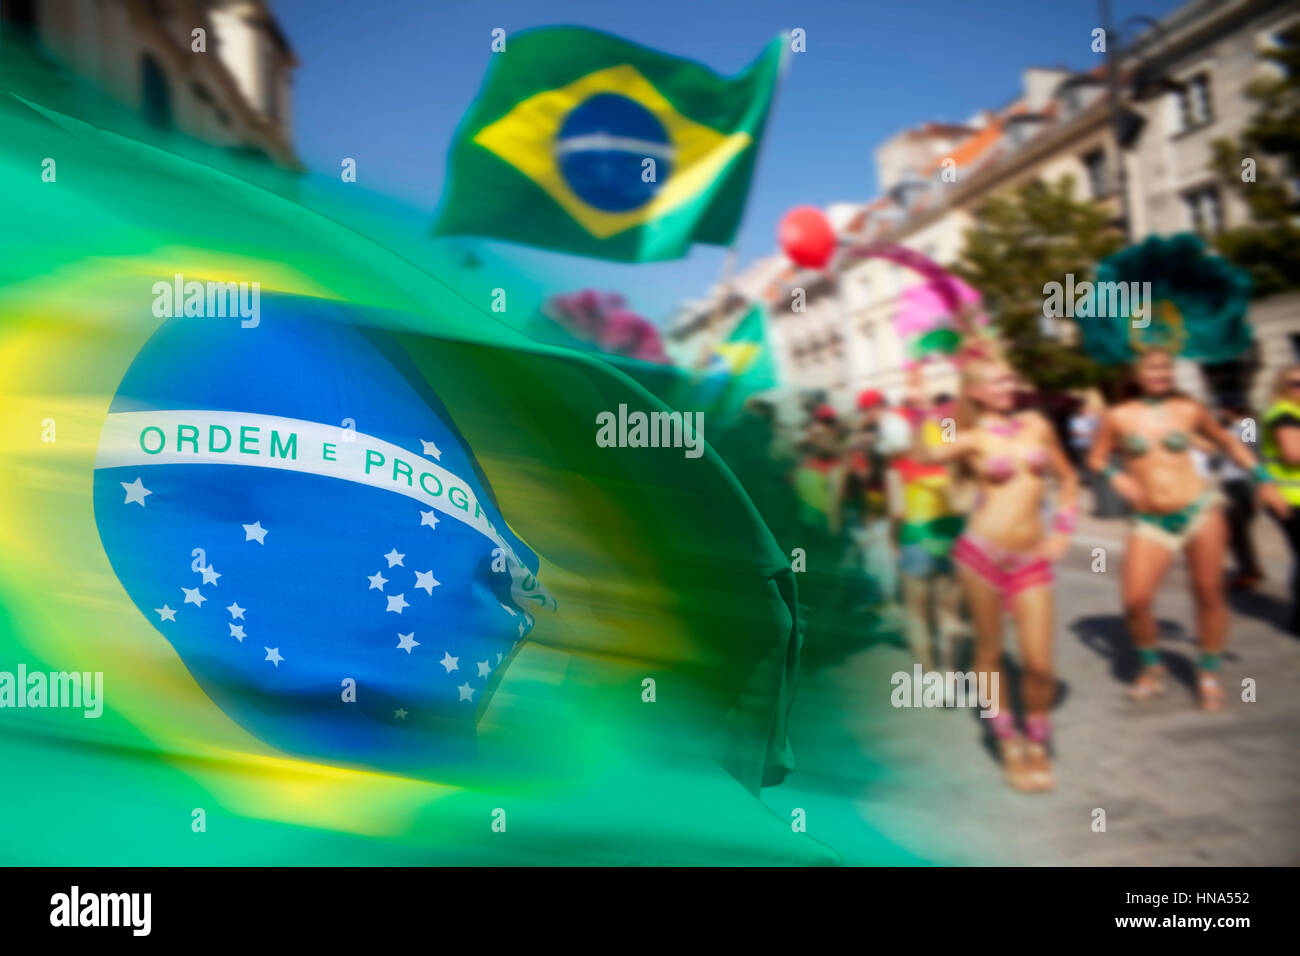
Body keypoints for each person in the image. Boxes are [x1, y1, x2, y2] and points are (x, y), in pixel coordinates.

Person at [1086, 348, 1289, 712]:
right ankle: (1152, 667)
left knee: (1209, 594)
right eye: (1152, 367)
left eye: (1166, 366)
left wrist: (1263, 479)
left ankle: (1208, 672)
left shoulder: (1189, 409)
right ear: (1136, 372)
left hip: (1199, 510)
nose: (1161, 373)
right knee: (1135, 600)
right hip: (1150, 520)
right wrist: (1116, 477)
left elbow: (1228, 441)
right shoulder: (1118, 416)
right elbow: (1096, 458)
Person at [919, 354, 1078, 792]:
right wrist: (932, 411)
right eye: (995, 380)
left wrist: (1062, 532)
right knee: (989, 653)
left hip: (1031, 559)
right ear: (975, 391)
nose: (1007, 384)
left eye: (1009, 376)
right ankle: (1009, 742)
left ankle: (1039, 740)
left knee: (1039, 664)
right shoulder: (969, 437)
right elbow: (928, 451)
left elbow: (1068, 480)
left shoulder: (1037, 425)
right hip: (980, 556)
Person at [881, 395, 966, 686]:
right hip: (949, 537)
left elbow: (897, 512)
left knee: (917, 613)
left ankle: (930, 676)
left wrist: (892, 542)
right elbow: (961, 504)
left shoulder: (898, 468)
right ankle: (951, 674)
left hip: (915, 539)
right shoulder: (948, 464)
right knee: (948, 612)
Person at [1261, 365, 1300, 633]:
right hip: (1289, 498)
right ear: (1283, 387)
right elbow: (1293, 453)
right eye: (1295, 383)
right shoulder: (1283, 413)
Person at [1218, 403, 1264, 591]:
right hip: (1233, 483)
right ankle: (1250, 568)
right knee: (1237, 529)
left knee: (1236, 529)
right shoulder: (1234, 427)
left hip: (1243, 483)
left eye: (1222, 408)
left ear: (1230, 409)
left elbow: (1250, 453)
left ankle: (1249, 571)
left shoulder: (1247, 424)